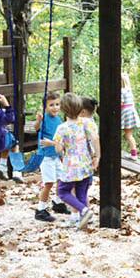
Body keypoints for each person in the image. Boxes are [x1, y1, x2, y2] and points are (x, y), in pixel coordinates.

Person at [53, 93, 101, 229]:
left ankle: (84, 211)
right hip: (85, 163)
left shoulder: (62, 128)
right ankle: (83, 221)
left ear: (63, 110)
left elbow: (58, 149)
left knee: (62, 191)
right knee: (81, 192)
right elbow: (95, 138)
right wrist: (97, 157)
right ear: (81, 109)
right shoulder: (86, 122)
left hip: (71, 166)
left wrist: (58, 146)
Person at [34, 91, 70, 222]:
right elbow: (36, 128)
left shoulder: (59, 120)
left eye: (57, 104)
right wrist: (38, 120)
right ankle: (40, 210)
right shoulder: (44, 118)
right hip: (46, 157)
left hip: (55, 156)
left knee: (62, 180)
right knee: (49, 183)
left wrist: (61, 153)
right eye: (51, 105)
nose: (55, 107)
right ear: (45, 107)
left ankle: (58, 203)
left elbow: (60, 138)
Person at [120, 72, 140, 160]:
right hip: (131, 112)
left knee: (127, 135)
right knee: (129, 135)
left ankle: (133, 155)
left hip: (125, 114)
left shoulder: (121, 91)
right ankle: (134, 153)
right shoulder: (129, 91)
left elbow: (121, 103)